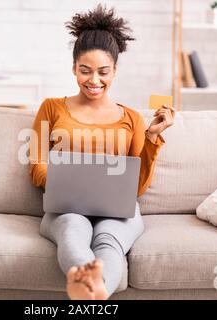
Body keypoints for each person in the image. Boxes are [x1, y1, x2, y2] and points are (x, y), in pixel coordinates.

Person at [29, 4, 175, 300]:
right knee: (72, 229)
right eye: (85, 71)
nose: (94, 81)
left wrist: (151, 137)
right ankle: (94, 298)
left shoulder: (132, 118)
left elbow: (138, 186)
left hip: (118, 212)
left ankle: (89, 298)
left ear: (115, 71)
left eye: (103, 72)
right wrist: (70, 182)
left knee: (108, 241)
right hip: (66, 209)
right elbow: (36, 166)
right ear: (74, 69)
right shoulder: (50, 108)